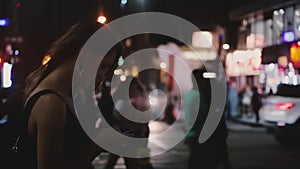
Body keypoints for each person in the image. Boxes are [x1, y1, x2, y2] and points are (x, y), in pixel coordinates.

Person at [19, 21, 104, 169]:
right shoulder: (50, 103)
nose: (103, 76)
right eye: (103, 66)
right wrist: (96, 147)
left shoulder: (62, 96)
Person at [183, 68, 230, 169]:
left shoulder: (190, 95)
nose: (207, 82)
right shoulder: (201, 96)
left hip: (194, 136)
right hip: (202, 137)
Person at [104, 77, 154, 169]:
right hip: (128, 134)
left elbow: (146, 116)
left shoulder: (139, 99)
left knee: (140, 161)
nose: (134, 90)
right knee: (133, 161)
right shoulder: (123, 100)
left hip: (137, 134)